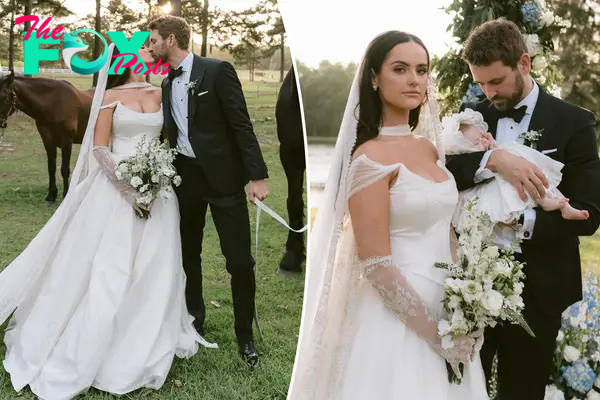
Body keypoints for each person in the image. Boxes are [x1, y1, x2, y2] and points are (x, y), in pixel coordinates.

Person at [0, 43, 217, 400]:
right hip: (115, 189)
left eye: (149, 48)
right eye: (141, 50)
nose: (148, 53)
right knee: (108, 267)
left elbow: (167, 141)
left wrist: (155, 177)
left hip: (159, 192)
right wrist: (130, 188)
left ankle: (148, 328)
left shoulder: (160, 91)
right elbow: (101, 149)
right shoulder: (109, 97)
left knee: (155, 266)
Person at [286, 30, 488, 399]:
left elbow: (446, 231)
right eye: (400, 68)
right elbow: (376, 263)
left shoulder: (428, 148)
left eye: (422, 69)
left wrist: (469, 299)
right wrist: (436, 334)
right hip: (398, 318)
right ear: (375, 78)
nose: (414, 79)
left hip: (451, 307)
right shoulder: (369, 158)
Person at [445, 18, 600, 400]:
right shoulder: (473, 118)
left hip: (540, 292)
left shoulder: (574, 123)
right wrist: (494, 161)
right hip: (470, 288)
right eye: (480, 83)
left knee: (522, 393)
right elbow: (444, 172)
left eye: (496, 81)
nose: (488, 91)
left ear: (524, 64)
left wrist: (522, 221)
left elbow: (589, 211)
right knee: (462, 389)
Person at [147, 15, 269, 369]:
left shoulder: (216, 71)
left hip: (225, 180)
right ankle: (194, 321)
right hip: (185, 180)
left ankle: (244, 336)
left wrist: (257, 176)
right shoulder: (167, 83)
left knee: (239, 261)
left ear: (170, 40)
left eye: (153, 40)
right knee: (188, 255)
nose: (150, 47)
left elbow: (240, 124)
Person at [442, 108, 590, 230]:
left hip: (545, 257)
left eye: (482, 136)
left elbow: (591, 217)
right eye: (476, 142)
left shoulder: (575, 119)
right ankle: (545, 202)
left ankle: (563, 204)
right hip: (493, 211)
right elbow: (451, 169)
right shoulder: (466, 118)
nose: (483, 140)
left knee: (540, 176)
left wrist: (492, 144)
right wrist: (490, 158)